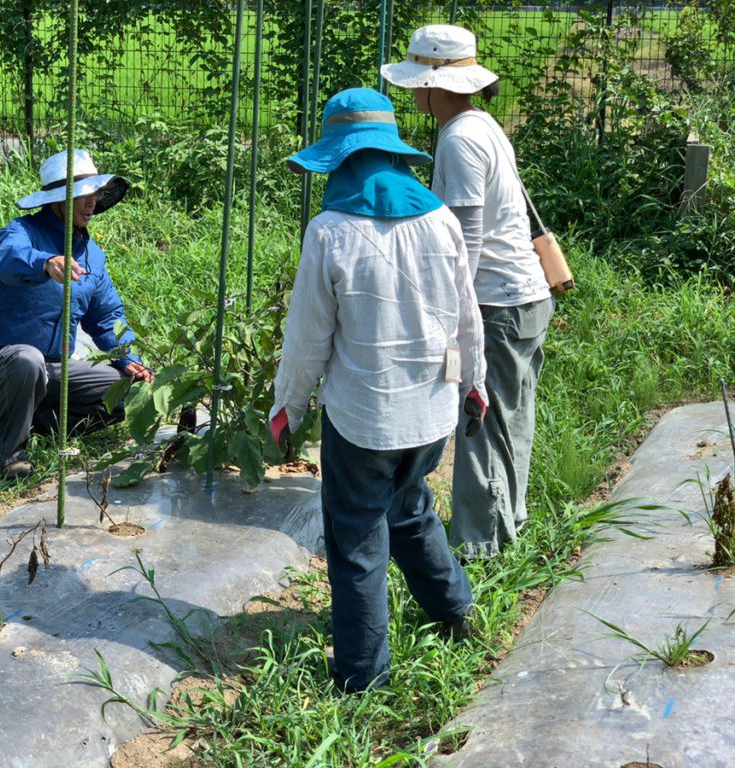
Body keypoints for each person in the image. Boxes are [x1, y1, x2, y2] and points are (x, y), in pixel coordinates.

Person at [269, 87, 487, 693]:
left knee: (357, 536)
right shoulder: (440, 218)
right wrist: (476, 383)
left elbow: (308, 337)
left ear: (338, 161)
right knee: (410, 506)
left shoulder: (330, 231)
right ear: (392, 156)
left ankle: (363, 674)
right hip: (432, 412)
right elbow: (467, 314)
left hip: (363, 419)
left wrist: (288, 405)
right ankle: (454, 611)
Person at [382, 25, 555, 559]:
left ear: (435, 83)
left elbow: (464, 241)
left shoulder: (458, 139)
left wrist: (450, 317)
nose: (412, 93)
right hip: (523, 294)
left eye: (416, 82)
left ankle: (479, 547)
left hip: (494, 302)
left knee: (479, 421)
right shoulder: (482, 124)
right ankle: (509, 520)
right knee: (510, 418)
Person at [0, 149, 153, 480]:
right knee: (27, 358)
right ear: (55, 198)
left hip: (55, 369)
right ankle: (11, 454)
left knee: (131, 391)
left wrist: (128, 358)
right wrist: (44, 263)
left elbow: (107, 317)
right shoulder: (21, 232)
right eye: (82, 194)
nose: (91, 202)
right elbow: (8, 258)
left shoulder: (92, 256)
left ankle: (39, 424)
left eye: (95, 193)